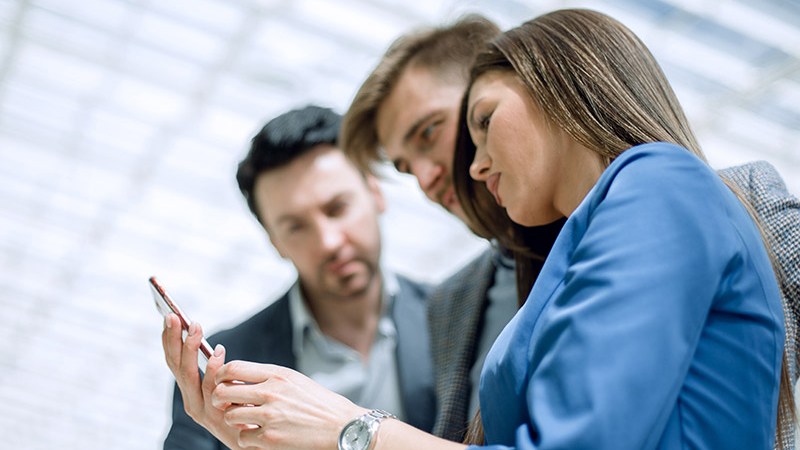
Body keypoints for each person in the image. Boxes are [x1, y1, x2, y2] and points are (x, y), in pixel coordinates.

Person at [162, 8, 794, 450]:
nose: (462, 165)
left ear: (543, 81)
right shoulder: (467, 300)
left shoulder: (663, 189)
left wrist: (349, 430)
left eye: (453, 127)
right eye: (406, 166)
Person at [340, 15, 563, 441]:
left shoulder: (622, 226)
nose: (425, 179)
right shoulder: (450, 304)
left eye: (428, 132)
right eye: (406, 168)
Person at [162, 105, 435, 450]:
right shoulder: (223, 364)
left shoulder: (460, 316)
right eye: (296, 228)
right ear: (274, 241)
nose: (329, 242)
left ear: (375, 192)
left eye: (337, 208)